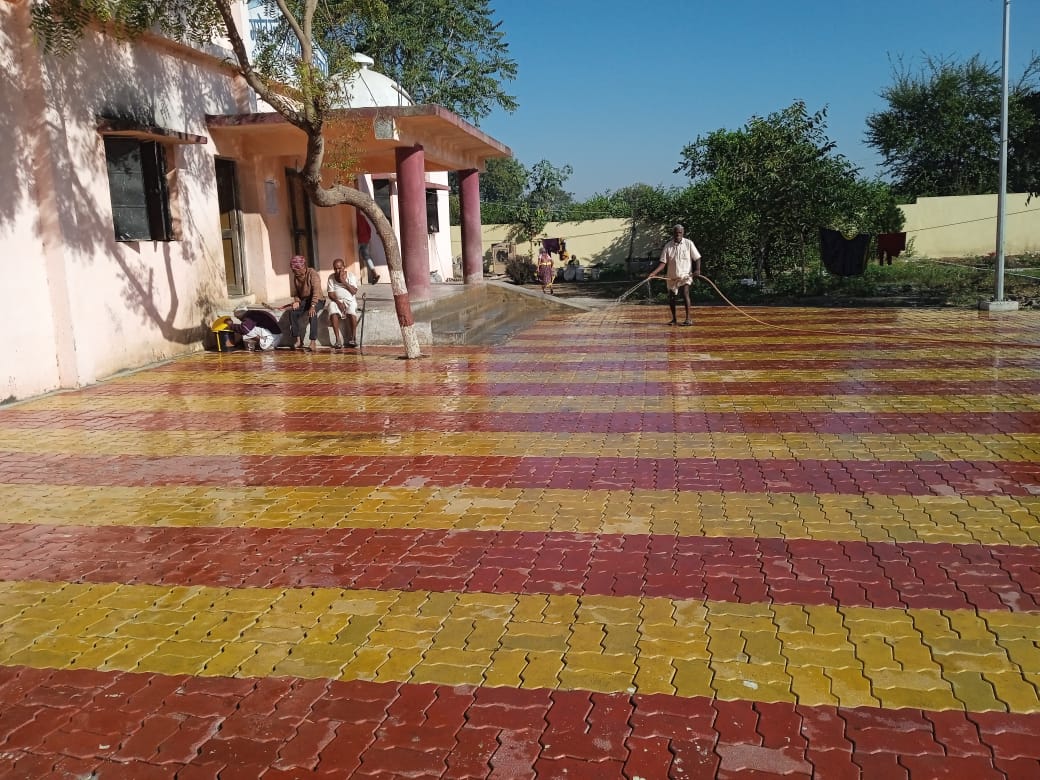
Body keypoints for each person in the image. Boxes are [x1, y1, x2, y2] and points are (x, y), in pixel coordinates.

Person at [648, 224, 702, 325]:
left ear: (683, 233)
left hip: (685, 275)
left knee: (685, 293)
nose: (678, 234)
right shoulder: (668, 246)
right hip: (672, 277)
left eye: (680, 232)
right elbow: (663, 263)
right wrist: (653, 273)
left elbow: (697, 257)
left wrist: (697, 269)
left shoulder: (688, 243)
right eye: (676, 233)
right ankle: (674, 319)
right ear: (673, 233)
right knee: (672, 297)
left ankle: (688, 319)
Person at [288, 255, 326, 350]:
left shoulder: (313, 274)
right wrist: (297, 301)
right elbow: (296, 293)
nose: (293, 272)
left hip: (318, 299)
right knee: (293, 313)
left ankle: (313, 341)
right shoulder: (296, 277)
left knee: (312, 313)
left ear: (302, 267)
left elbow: (316, 291)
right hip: (305, 300)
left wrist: (312, 305)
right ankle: (298, 340)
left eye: (295, 270)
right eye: (293, 270)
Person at [326, 257, 360, 349]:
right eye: (335, 269)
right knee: (332, 307)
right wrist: (338, 302)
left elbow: (354, 291)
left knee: (351, 310)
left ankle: (353, 338)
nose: (337, 271)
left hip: (350, 300)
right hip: (337, 301)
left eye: (339, 268)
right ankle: (338, 340)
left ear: (344, 267)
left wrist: (343, 281)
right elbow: (330, 294)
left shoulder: (351, 276)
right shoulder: (331, 277)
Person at [357, 211, 381, 285]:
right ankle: (374, 274)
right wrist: (368, 237)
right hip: (365, 239)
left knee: (357, 258)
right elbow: (369, 228)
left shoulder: (353, 218)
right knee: (367, 257)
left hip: (357, 240)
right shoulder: (362, 217)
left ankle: (359, 278)